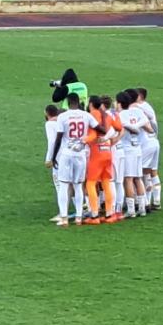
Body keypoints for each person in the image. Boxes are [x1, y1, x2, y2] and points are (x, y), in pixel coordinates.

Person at [50, 93, 102, 227]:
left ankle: (64, 218)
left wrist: (53, 156)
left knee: (64, 185)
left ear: (67, 102)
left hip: (67, 153)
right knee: (79, 185)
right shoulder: (86, 115)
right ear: (79, 102)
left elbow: (59, 138)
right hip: (81, 154)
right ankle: (79, 218)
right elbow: (100, 129)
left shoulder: (62, 116)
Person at [83, 96, 122, 225]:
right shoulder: (108, 115)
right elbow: (119, 127)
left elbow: (94, 133)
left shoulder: (93, 114)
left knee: (90, 183)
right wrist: (108, 138)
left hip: (97, 153)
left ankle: (94, 216)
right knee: (106, 182)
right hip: (107, 152)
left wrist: (84, 140)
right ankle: (109, 214)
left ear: (92, 104)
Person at [115, 91, 153, 218]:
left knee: (128, 179)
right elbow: (145, 120)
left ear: (119, 103)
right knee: (138, 177)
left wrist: (132, 126)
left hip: (127, 149)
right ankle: (142, 208)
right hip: (137, 148)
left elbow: (123, 127)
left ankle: (131, 210)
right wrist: (136, 126)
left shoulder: (120, 115)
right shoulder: (136, 111)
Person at [134, 87, 162, 210]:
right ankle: (156, 200)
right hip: (154, 141)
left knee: (140, 173)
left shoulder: (139, 108)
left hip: (147, 143)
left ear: (139, 96)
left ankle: (144, 202)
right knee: (152, 172)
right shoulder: (147, 107)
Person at [43, 104, 63, 223]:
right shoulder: (62, 121)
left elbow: (52, 142)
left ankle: (62, 213)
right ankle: (81, 212)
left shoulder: (49, 124)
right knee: (75, 184)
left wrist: (49, 158)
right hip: (70, 155)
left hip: (58, 159)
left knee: (60, 186)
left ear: (47, 113)